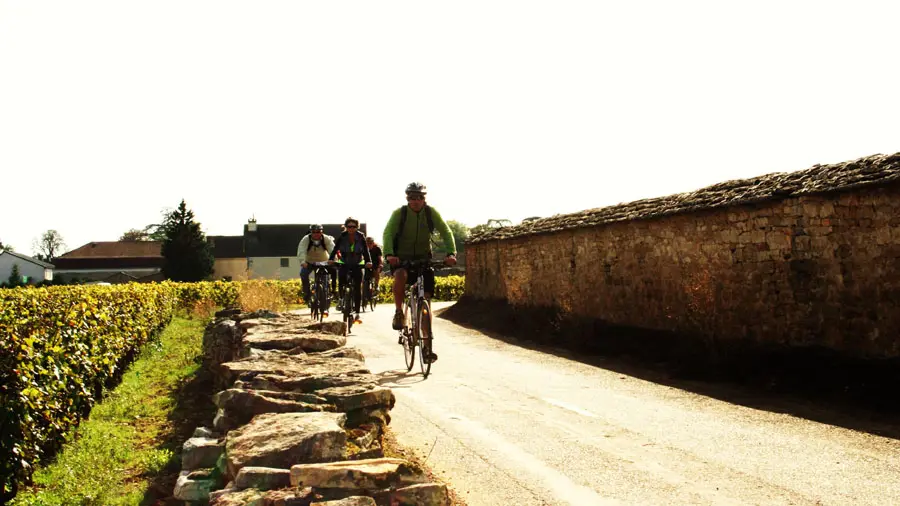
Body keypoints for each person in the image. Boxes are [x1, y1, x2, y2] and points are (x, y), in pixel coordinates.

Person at [382, 182, 456, 362]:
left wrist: (451, 252)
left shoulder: (431, 213)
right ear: (407, 199)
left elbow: (446, 231)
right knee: (400, 275)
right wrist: (390, 254)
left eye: (419, 197)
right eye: (412, 198)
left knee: (427, 299)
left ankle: (427, 348)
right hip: (402, 258)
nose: (415, 201)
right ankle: (399, 311)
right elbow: (388, 233)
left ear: (424, 198)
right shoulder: (400, 214)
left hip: (424, 258)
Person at [329, 217, 373, 321]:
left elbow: (366, 251)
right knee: (341, 279)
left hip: (357, 263)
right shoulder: (342, 237)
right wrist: (331, 259)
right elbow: (335, 249)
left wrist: (368, 262)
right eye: (349, 227)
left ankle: (357, 312)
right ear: (346, 227)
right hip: (345, 262)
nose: (351, 229)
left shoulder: (361, 237)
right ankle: (341, 299)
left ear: (357, 227)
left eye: (353, 227)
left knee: (357, 287)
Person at [297, 224, 335, 306]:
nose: (316, 234)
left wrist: (333, 260)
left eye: (318, 232)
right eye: (313, 232)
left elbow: (332, 249)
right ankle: (306, 293)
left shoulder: (326, 239)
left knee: (325, 279)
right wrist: (302, 261)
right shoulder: (306, 239)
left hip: (324, 261)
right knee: (303, 274)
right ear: (311, 232)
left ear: (322, 232)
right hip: (309, 262)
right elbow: (301, 250)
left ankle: (326, 294)